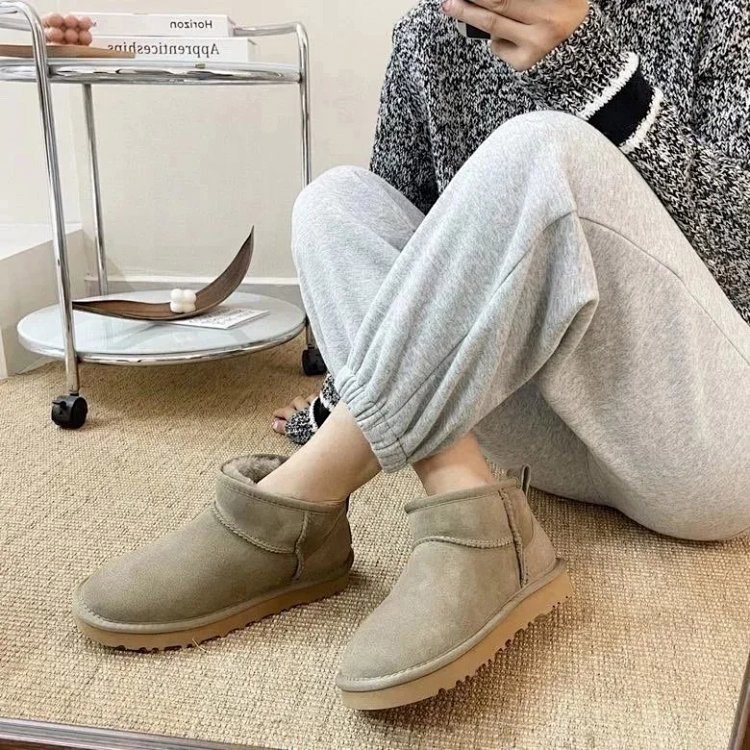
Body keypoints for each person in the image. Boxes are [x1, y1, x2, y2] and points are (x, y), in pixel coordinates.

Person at [71, 0, 750, 711]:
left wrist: (590, 67)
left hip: (696, 440)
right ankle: (471, 511)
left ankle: (295, 508)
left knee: (544, 147)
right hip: (539, 436)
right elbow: (410, 275)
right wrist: (339, 400)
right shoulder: (432, 31)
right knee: (334, 204)